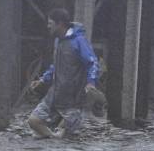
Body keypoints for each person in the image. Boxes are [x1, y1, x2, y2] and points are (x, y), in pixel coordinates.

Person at [28, 8, 100, 138]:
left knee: (66, 136)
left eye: (50, 23)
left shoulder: (79, 41)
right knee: (33, 121)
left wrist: (91, 83)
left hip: (73, 99)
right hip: (55, 94)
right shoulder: (58, 41)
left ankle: (57, 139)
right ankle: (53, 139)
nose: (48, 26)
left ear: (60, 24)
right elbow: (56, 65)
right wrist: (43, 80)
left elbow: (92, 63)